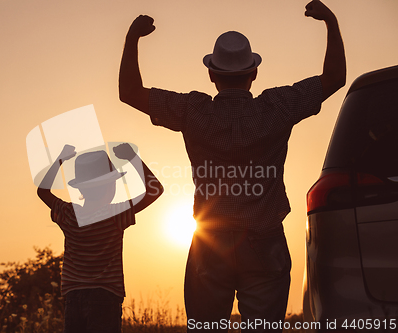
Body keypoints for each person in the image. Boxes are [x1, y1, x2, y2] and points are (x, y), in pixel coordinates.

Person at [118, 1, 345, 332]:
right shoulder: (278, 107)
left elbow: (129, 92)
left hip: (210, 244)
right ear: (253, 73)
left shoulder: (192, 111)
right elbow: (335, 77)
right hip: (265, 242)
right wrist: (331, 22)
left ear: (212, 75)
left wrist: (132, 38)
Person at [37, 143, 164, 333]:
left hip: (73, 296)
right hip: (106, 296)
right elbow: (155, 190)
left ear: (81, 188)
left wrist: (60, 160)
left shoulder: (69, 214)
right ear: (109, 186)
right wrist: (132, 158)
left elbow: (42, 191)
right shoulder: (115, 215)